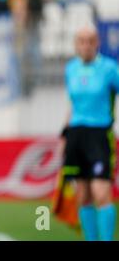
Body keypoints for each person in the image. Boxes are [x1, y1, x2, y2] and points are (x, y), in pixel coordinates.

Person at [60, 24, 117, 241]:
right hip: (76, 135)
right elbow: (73, 105)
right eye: (81, 41)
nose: (85, 45)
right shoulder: (71, 68)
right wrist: (64, 136)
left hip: (99, 135)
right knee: (83, 196)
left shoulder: (110, 69)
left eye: (90, 41)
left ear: (97, 43)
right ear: (76, 44)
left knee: (101, 192)